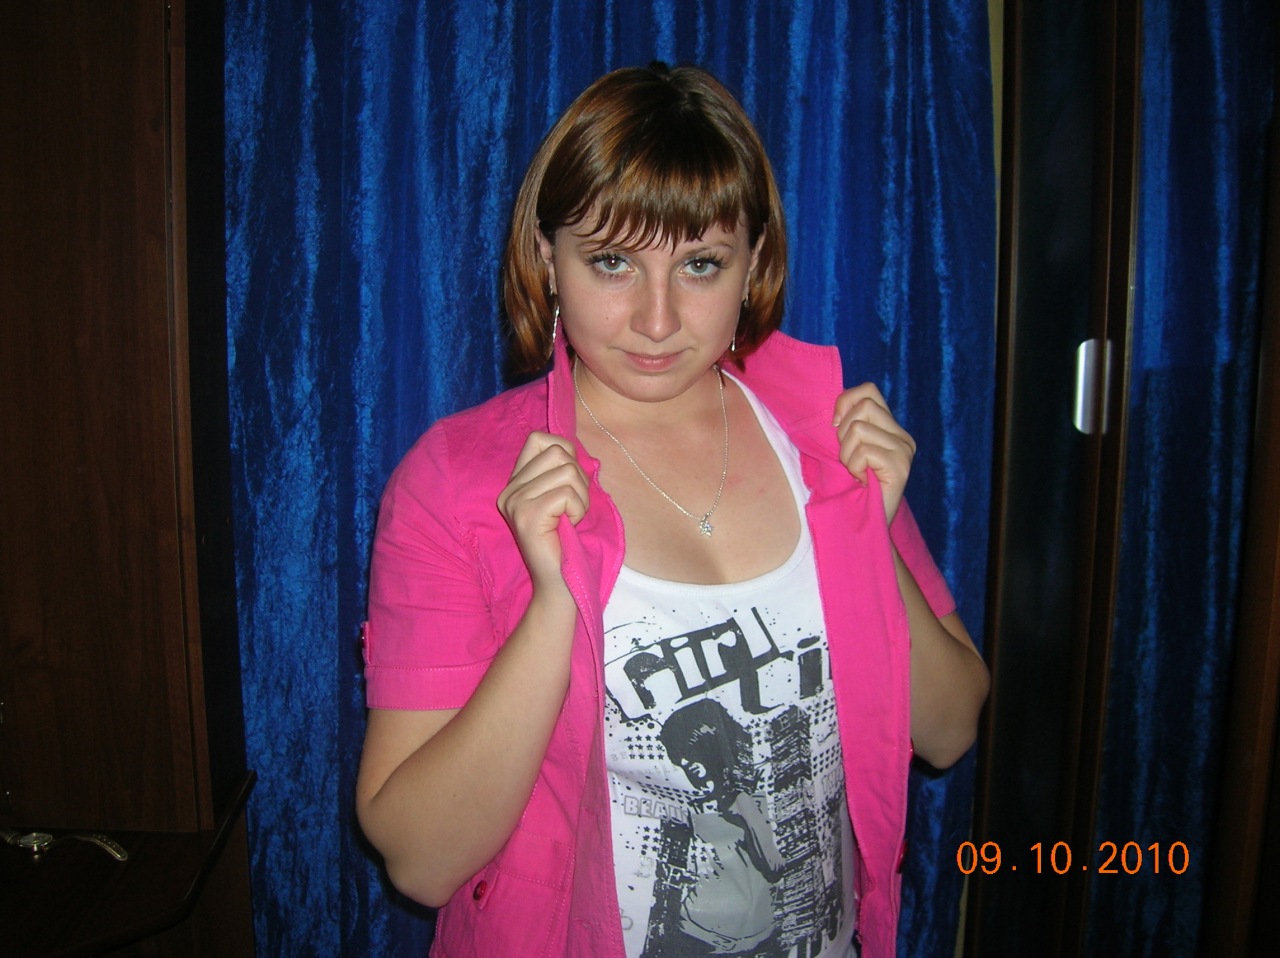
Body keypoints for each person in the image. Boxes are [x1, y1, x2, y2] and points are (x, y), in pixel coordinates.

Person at [355, 62, 989, 958]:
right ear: (547, 258)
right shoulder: (453, 481)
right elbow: (421, 861)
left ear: (753, 262)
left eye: (700, 265)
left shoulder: (820, 435)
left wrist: (869, 532)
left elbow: (949, 729)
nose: (656, 321)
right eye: (612, 262)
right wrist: (553, 607)